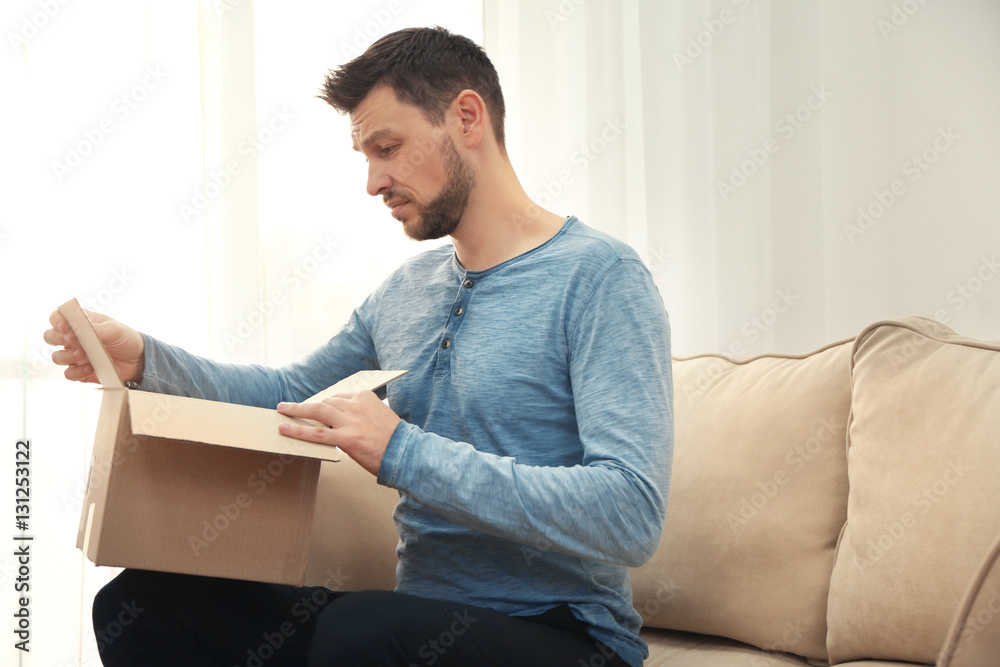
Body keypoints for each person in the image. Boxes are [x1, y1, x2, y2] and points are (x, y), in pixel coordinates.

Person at [46, 26, 673, 667]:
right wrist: (149, 359)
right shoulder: (405, 291)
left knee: (363, 630)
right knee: (144, 602)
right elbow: (293, 397)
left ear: (466, 117)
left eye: (389, 148)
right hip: (417, 623)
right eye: (366, 156)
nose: (374, 182)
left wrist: (402, 449)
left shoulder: (599, 277)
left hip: (565, 635)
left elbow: (629, 513)